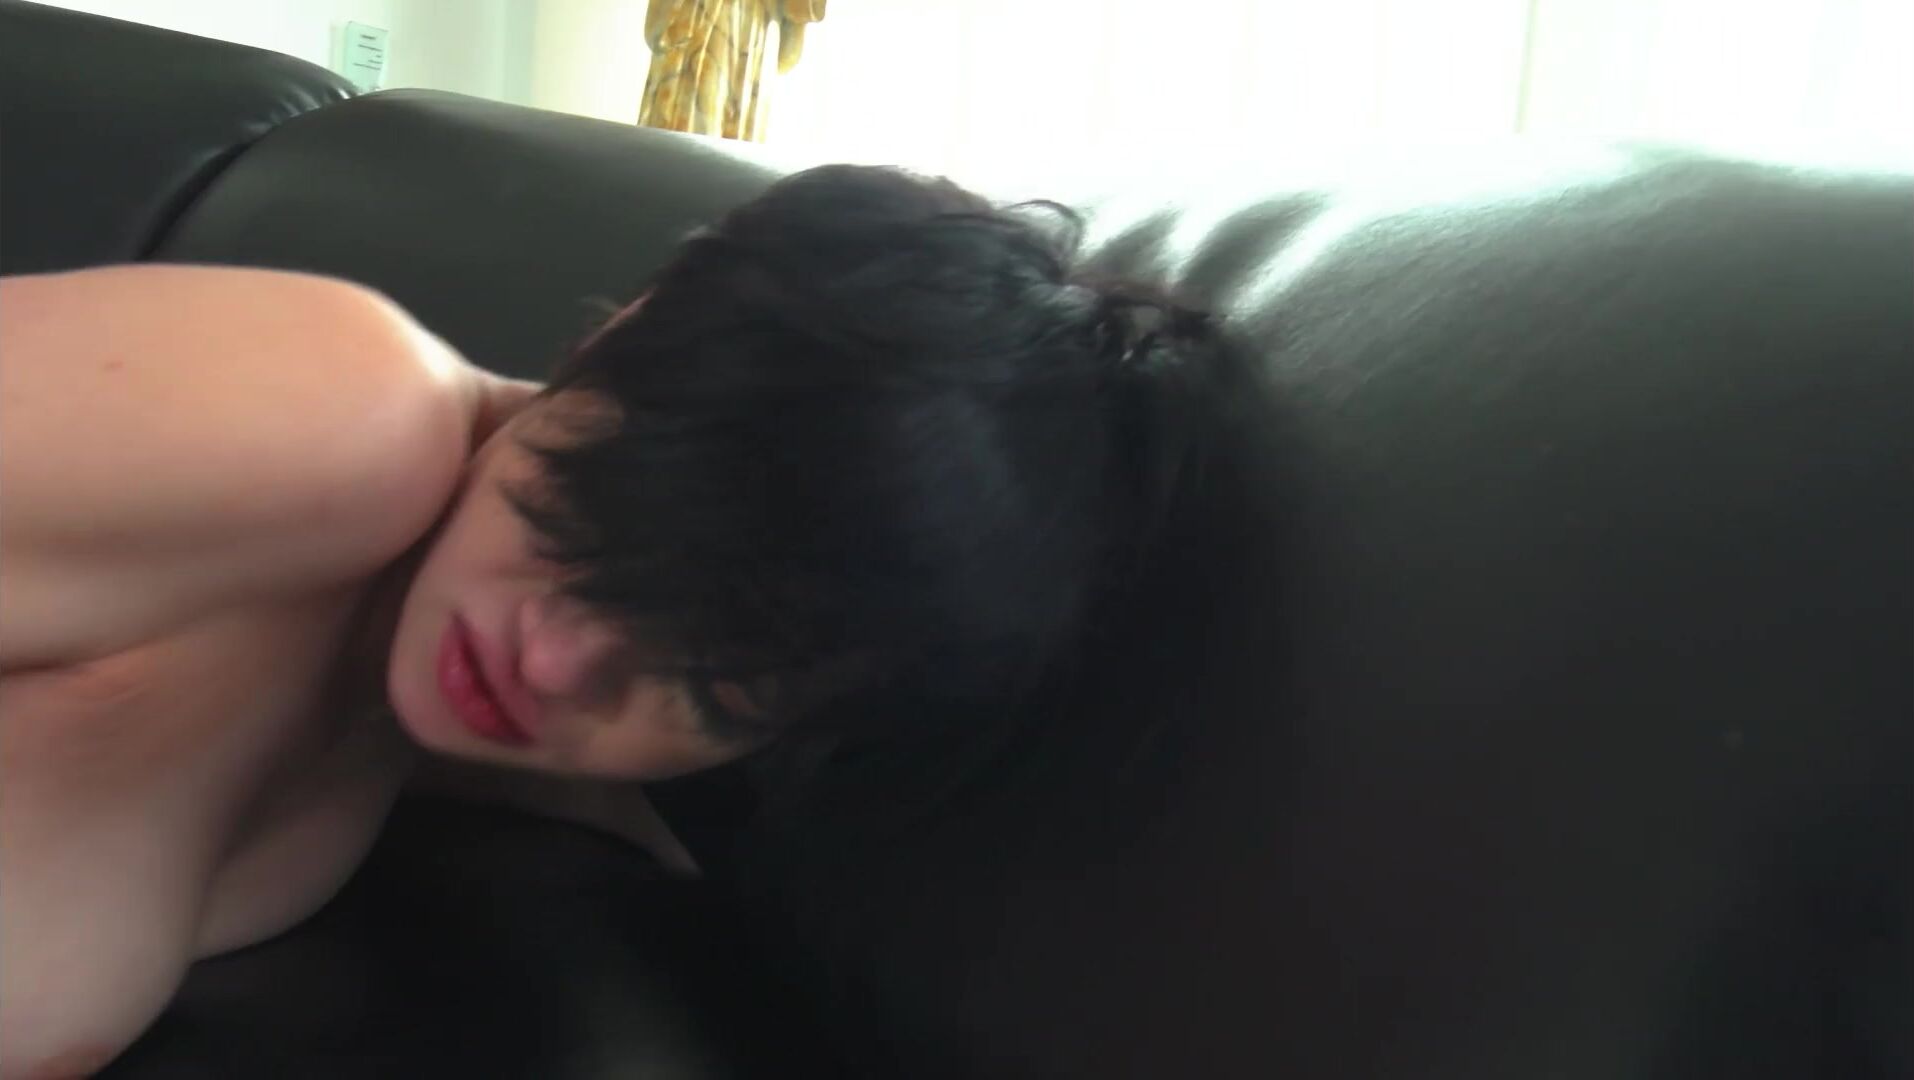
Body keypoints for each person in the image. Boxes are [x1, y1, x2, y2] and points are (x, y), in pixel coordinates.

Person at [0, 164, 1230, 1078]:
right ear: (617, 338)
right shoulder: (335, 420)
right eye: (591, 525)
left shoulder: (434, 714)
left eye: (706, 676)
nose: (559, 659)